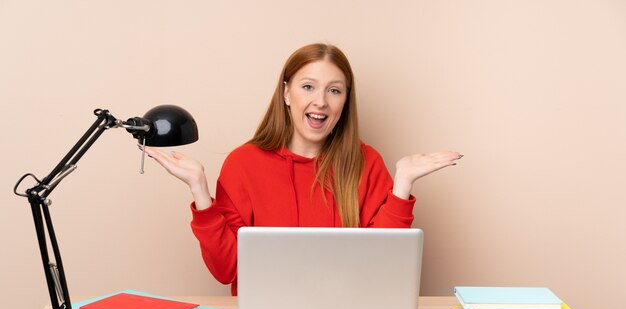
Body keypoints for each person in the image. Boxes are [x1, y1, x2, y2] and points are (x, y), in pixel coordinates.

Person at [143, 43, 462, 295]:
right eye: (308, 87)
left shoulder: (366, 163)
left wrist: (402, 184)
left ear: (345, 101)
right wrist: (199, 189)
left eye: (334, 90)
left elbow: (381, 264)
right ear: (286, 93)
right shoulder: (244, 163)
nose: (321, 101)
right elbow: (226, 270)